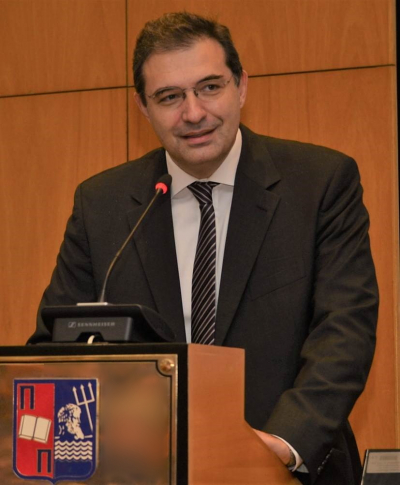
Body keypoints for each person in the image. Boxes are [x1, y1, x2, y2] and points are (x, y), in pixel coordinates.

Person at [29, 12, 378, 485]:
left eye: (210, 87)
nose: (193, 113)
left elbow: (345, 329)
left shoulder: (319, 183)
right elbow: (55, 347)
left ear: (242, 86)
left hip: (289, 470)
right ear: (143, 106)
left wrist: (284, 442)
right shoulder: (102, 204)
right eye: (169, 97)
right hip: (141, 472)